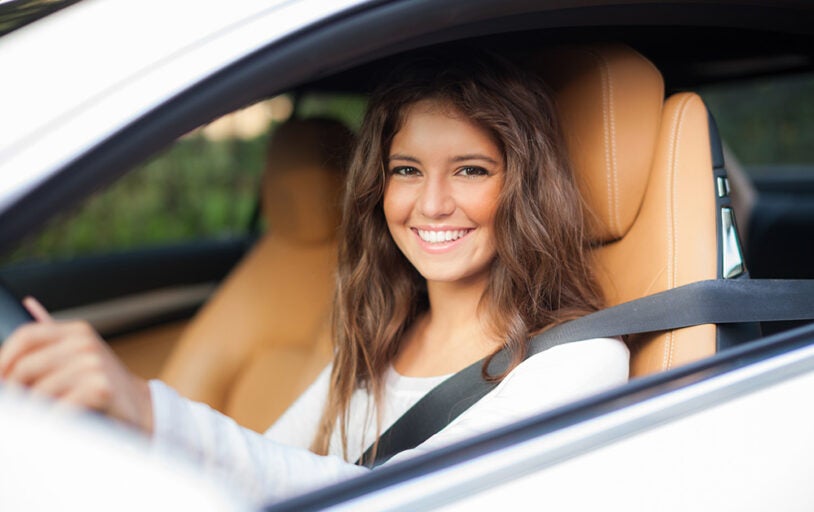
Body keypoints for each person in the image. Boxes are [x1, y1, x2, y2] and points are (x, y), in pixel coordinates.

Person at [0, 52, 629, 504]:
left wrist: (147, 409)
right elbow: (265, 459)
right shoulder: (385, 329)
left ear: (524, 188)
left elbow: (393, 498)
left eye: (469, 170)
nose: (431, 204)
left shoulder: (577, 362)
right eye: (406, 170)